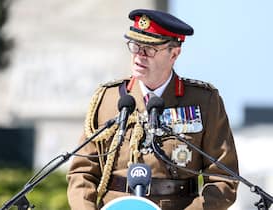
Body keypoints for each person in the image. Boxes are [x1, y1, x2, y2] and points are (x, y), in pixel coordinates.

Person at [67, 8, 239, 210]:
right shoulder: (107, 99)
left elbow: (223, 178)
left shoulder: (204, 101)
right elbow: (82, 173)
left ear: (174, 53)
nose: (139, 56)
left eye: (149, 49)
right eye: (135, 46)